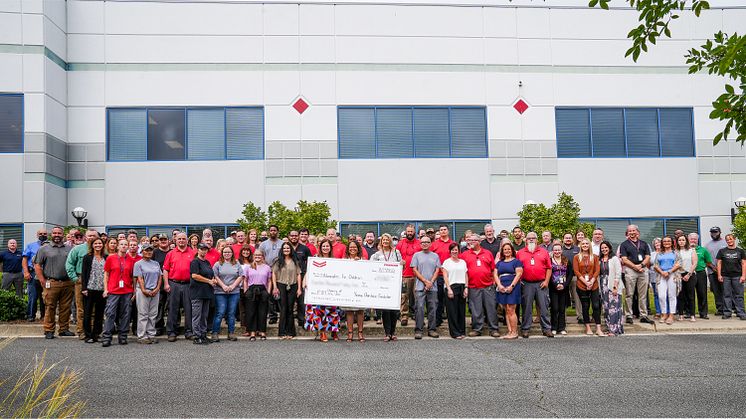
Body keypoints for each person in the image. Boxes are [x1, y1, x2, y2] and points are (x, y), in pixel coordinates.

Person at [34, 226, 74, 339]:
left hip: (67, 282)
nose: (57, 235)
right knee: (50, 307)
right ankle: (49, 330)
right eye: (55, 233)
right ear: (52, 235)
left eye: (59, 233)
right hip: (51, 283)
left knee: (65, 307)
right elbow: (37, 265)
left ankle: (64, 329)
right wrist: (42, 280)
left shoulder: (69, 249)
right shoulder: (44, 249)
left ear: (63, 235)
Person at [461, 234, 500, 338]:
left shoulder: (487, 253)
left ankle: (494, 329)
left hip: (488, 286)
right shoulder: (465, 254)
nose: (471, 242)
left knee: (491, 308)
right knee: (476, 310)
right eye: (470, 240)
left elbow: (493, 269)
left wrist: (494, 281)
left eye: (474, 240)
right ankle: (477, 329)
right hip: (473, 286)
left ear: (479, 242)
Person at [516, 232, 553, 338]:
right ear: (526, 240)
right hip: (526, 284)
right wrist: (519, 280)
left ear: (537, 240)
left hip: (541, 283)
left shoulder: (544, 252)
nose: (531, 240)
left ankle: (546, 329)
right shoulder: (521, 253)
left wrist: (546, 281)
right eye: (529, 238)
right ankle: (526, 329)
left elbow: (549, 268)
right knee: (527, 307)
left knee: (543, 306)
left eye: (533, 238)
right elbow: (517, 268)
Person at [304, 239, 341, 342]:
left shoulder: (334, 260)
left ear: (330, 247)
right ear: (320, 247)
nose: (325, 248)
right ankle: (322, 332)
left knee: (333, 311)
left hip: (332, 289)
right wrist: (305, 282)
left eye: (327, 246)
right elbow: (309, 271)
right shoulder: (315, 258)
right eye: (323, 246)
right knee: (319, 311)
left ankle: (334, 332)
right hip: (318, 289)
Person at [65, 229, 99, 339]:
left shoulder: (101, 250)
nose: (91, 238)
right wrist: (75, 278)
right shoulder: (78, 249)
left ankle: (93, 331)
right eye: (89, 236)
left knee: (94, 307)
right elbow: (69, 264)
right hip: (81, 279)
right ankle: (81, 331)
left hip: (96, 280)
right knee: (81, 308)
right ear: (85, 237)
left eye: (94, 236)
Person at [163, 232, 197, 342]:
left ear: (187, 240)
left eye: (183, 239)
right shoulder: (170, 253)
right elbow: (165, 269)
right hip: (174, 283)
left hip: (188, 284)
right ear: (175, 240)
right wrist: (166, 283)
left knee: (189, 309)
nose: (181, 241)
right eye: (179, 239)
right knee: (173, 308)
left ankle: (189, 331)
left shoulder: (193, 253)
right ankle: (172, 332)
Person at [101, 239, 136, 346]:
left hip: (127, 291)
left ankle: (123, 336)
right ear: (117, 246)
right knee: (110, 313)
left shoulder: (131, 260)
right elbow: (106, 274)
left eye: (126, 245)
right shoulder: (111, 258)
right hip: (113, 291)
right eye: (122, 244)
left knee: (125, 314)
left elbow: (133, 277)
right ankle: (107, 337)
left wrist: (134, 291)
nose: (124, 246)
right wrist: (106, 289)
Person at [371, 234, 403, 341]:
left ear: (390, 241)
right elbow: (370, 267)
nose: (385, 241)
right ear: (381, 242)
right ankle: (387, 333)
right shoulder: (376, 255)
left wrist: (402, 264)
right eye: (383, 240)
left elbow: (401, 266)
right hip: (382, 286)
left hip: (394, 285)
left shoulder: (396, 253)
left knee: (393, 310)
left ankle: (393, 332)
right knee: (385, 311)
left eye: (387, 240)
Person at [620, 225, 653, 324]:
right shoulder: (624, 244)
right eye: (630, 231)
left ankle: (643, 315)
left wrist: (641, 265)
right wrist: (635, 267)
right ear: (627, 233)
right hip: (630, 270)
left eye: (633, 230)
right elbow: (624, 259)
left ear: (637, 232)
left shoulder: (644, 244)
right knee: (629, 294)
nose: (632, 232)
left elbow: (648, 257)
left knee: (642, 294)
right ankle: (629, 315)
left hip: (643, 270)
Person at [410, 236, 441, 339]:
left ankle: (432, 330)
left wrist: (431, 282)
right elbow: (415, 270)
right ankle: (418, 330)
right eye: (423, 242)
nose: (425, 244)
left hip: (433, 287)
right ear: (420, 244)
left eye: (427, 242)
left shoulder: (435, 256)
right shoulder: (416, 255)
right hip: (420, 287)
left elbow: (437, 270)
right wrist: (425, 281)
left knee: (432, 308)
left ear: (430, 243)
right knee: (419, 309)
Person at [211, 246, 244, 342]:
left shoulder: (237, 263)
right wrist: (224, 286)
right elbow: (215, 276)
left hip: (234, 292)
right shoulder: (217, 264)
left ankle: (231, 333)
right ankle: (215, 333)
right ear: (222, 253)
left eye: (229, 252)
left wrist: (233, 286)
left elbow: (241, 276)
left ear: (232, 253)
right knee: (220, 313)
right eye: (225, 252)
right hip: (220, 292)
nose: (227, 254)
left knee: (231, 313)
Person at [272, 241, 302, 339]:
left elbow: (298, 274)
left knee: (290, 309)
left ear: (291, 250)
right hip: (281, 285)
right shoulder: (278, 261)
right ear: (282, 250)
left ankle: (291, 332)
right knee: (283, 308)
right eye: (284, 248)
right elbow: (274, 274)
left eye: (288, 248)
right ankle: (282, 332)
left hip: (293, 285)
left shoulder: (295, 261)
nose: (286, 250)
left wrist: (299, 288)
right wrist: (275, 287)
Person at [133, 244, 162, 344]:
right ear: (142, 252)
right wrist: (144, 290)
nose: (149, 252)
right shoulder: (138, 264)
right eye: (146, 250)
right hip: (143, 291)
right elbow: (139, 278)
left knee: (153, 314)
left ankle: (151, 334)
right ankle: (142, 335)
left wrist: (157, 288)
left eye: (150, 250)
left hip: (155, 291)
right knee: (143, 314)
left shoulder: (156, 264)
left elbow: (160, 276)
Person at [573, 239, 603, 336]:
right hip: (582, 285)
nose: (585, 245)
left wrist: (591, 281)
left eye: (587, 244)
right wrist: (586, 282)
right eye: (583, 244)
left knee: (596, 306)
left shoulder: (594, 257)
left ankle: (598, 328)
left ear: (589, 245)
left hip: (593, 284)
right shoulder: (577, 257)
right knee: (585, 307)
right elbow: (576, 271)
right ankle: (588, 327)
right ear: (580, 246)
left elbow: (597, 270)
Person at [81, 237, 107, 343]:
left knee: (99, 313)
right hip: (90, 288)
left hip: (102, 289)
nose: (98, 245)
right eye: (95, 243)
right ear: (92, 245)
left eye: (100, 243)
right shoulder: (87, 257)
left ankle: (96, 334)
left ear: (103, 245)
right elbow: (84, 273)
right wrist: (84, 288)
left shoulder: (106, 257)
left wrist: (107, 289)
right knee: (87, 313)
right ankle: (88, 335)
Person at [190, 243, 216, 345]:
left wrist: (213, 280)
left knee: (204, 315)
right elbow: (195, 276)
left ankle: (203, 334)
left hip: (207, 292)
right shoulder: (195, 262)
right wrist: (209, 281)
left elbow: (211, 275)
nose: (204, 251)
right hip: (197, 293)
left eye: (205, 249)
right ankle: (197, 336)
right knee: (197, 315)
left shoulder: (207, 262)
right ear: (198, 250)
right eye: (202, 249)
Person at [243, 248, 272, 340]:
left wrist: (268, 291)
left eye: (259, 255)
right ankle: (252, 332)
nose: (257, 257)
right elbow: (245, 280)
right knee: (251, 312)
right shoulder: (249, 267)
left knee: (262, 312)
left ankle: (262, 331)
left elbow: (269, 280)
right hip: (251, 290)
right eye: (256, 255)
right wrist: (245, 291)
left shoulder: (267, 267)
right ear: (253, 256)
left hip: (263, 290)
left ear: (263, 256)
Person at [496, 242, 523, 339]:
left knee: (511, 309)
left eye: (508, 249)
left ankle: (515, 332)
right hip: (502, 286)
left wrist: (511, 286)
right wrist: (499, 285)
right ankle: (510, 331)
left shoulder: (516, 262)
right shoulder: (499, 263)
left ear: (512, 251)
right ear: (502, 252)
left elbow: (519, 274)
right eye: (505, 250)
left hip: (513, 286)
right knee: (506, 310)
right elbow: (495, 274)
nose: (507, 251)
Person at [716, 234, 746, 320]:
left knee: (739, 295)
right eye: (727, 240)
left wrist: (744, 275)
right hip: (726, 276)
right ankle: (727, 313)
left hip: (737, 276)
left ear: (734, 239)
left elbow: (744, 263)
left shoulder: (740, 251)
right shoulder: (722, 251)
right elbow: (719, 263)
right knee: (726, 295)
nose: (729, 241)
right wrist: (719, 275)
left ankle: (741, 313)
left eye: (731, 239)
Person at [431, 224, 456, 328]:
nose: (443, 231)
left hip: (452, 275)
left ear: (448, 231)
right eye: (441, 230)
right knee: (438, 299)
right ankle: (438, 319)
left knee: (451, 299)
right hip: (439, 275)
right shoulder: (434, 244)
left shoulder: (453, 244)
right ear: (439, 232)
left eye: (445, 229)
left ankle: (452, 320)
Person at [396, 224, 421, 326]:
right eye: (408, 231)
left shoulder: (419, 243)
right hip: (404, 275)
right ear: (405, 232)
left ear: (414, 232)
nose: (410, 233)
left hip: (417, 276)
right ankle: (404, 316)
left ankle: (418, 317)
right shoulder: (400, 244)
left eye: (411, 231)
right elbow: (395, 258)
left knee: (418, 297)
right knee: (404, 297)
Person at [342, 241, 367, 342]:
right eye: (350, 247)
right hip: (348, 288)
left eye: (355, 247)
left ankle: (360, 333)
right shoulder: (343, 260)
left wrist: (360, 263)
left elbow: (367, 273)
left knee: (360, 311)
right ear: (348, 249)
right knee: (349, 311)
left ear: (358, 248)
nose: (353, 249)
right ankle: (350, 332)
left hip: (360, 288)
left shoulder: (363, 260)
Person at [440, 243, 467, 339]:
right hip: (451, 286)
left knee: (461, 310)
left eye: (456, 250)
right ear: (450, 251)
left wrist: (466, 288)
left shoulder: (463, 262)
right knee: (452, 311)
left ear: (459, 251)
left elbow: (465, 275)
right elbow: (445, 276)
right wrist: (449, 289)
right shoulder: (446, 262)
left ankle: (461, 331)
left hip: (462, 286)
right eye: (453, 250)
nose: (454, 251)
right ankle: (455, 333)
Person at [599, 240, 624, 336]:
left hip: (612, 284)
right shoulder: (600, 259)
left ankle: (615, 329)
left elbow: (618, 274)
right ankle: (609, 327)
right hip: (603, 285)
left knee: (614, 308)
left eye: (606, 248)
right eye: (602, 248)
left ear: (609, 248)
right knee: (606, 307)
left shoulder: (614, 259)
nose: (604, 249)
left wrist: (615, 287)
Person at [654, 236, 681, 325]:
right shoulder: (659, 254)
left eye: (668, 241)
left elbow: (678, 264)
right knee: (661, 295)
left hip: (672, 275)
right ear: (662, 243)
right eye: (664, 241)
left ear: (672, 242)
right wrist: (662, 272)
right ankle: (664, 314)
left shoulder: (676, 253)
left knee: (671, 295)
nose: (666, 243)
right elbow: (655, 265)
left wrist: (669, 272)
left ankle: (671, 315)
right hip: (661, 275)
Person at [288, 230, 312, 327]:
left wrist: (307, 275)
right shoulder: (286, 248)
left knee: (301, 300)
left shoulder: (304, 248)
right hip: (289, 277)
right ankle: (289, 324)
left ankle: (302, 321)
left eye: (295, 235)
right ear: (289, 236)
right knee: (289, 301)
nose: (294, 237)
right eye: (292, 235)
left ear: (298, 237)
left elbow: (310, 262)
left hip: (301, 276)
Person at [22, 229, 47, 322]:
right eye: (40, 234)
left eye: (44, 234)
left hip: (46, 274)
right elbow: (24, 259)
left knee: (45, 296)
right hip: (32, 273)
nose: (42, 235)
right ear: (37, 235)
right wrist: (26, 272)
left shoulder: (50, 246)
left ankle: (44, 316)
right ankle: (31, 315)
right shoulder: (30, 246)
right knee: (33, 295)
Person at [260, 225, 282, 324]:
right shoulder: (264, 244)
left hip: (280, 271)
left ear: (277, 231)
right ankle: (272, 316)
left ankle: (282, 314)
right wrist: (266, 266)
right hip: (267, 271)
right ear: (269, 232)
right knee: (269, 295)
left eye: (274, 230)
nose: (273, 232)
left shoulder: (282, 243)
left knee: (280, 293)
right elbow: (260, 256)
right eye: (271, 230)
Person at [689, 233, 714, 319]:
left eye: (695, 239)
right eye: (691, 239)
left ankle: (703, 313)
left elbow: (708, 261)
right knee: (689, 294)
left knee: (702, 293)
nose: (693, 240)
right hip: (689, 274)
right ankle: (689, 313)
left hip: (700, 273)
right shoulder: (686, 250)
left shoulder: (703, 250)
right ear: (688, 239)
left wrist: (702, 266)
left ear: (697, 240)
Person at [706, 227, 728, 316]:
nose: (714, 234)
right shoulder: (707, 245)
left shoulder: (725, 243)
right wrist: (714, 268)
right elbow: (705, 258)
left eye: (715, 232)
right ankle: (720, 309)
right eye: (712, 232)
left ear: (720, 232)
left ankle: (728, 309)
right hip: (712, 271)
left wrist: (721, 269)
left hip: (725, 271)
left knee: (726, 290)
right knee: (716, 291)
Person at [676, 234, 698, 322]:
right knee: (680, 295)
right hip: (679, 275)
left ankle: (692, 315)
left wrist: (688, 274)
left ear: (686, 241)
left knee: (690, 295)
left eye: (683, 240)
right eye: (679, 240)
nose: (681, 242)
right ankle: (681, 315)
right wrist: (679, 275)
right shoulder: (675, 251)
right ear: (677, 242)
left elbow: (695, 263)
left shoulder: (691, 250)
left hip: (690, 274)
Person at [561, 233, 582, 324]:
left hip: (574, 277)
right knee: (563, 298)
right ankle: (563, 317)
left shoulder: (578, 249)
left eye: (569, 238)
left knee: (577, 297)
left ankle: (580, 316)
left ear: (572, 239)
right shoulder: (560, 250)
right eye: (566, 238)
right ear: (563, 239)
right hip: (562, 277)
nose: (568, 239)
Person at [152, 234, 170, 336]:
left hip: (170, 283)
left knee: (171, 306)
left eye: (165, 239)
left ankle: (171, 327)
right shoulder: (154, 252)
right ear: (158, 241)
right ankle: (158, 327)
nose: (163, 241)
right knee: (159, 306)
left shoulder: (171, 252)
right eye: (161, 240)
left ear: (169, 240)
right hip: (158, 284)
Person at [548, 243, 568, 336]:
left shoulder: (566, 260)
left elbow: (570, 273)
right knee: (554, 308)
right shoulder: (550, 260)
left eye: (559, 250)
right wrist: (555, 285)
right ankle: (554, 327)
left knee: (562, 308)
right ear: (552, 251)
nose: (557, 252)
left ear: (561, 250)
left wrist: (564, 284)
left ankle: (562, 327)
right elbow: (548, 274)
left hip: (564, 288)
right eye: (555, 250)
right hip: (553, 287)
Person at [649, 238, 663, 319]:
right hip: (654, 276)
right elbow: (649, 264)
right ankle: (658, 311)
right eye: (656, 243)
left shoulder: (665, 253)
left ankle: (665, 311)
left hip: (663, 276)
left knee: (664, 294)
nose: (657, 244)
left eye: (659, 243)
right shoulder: (652, 254)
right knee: (656, 294)